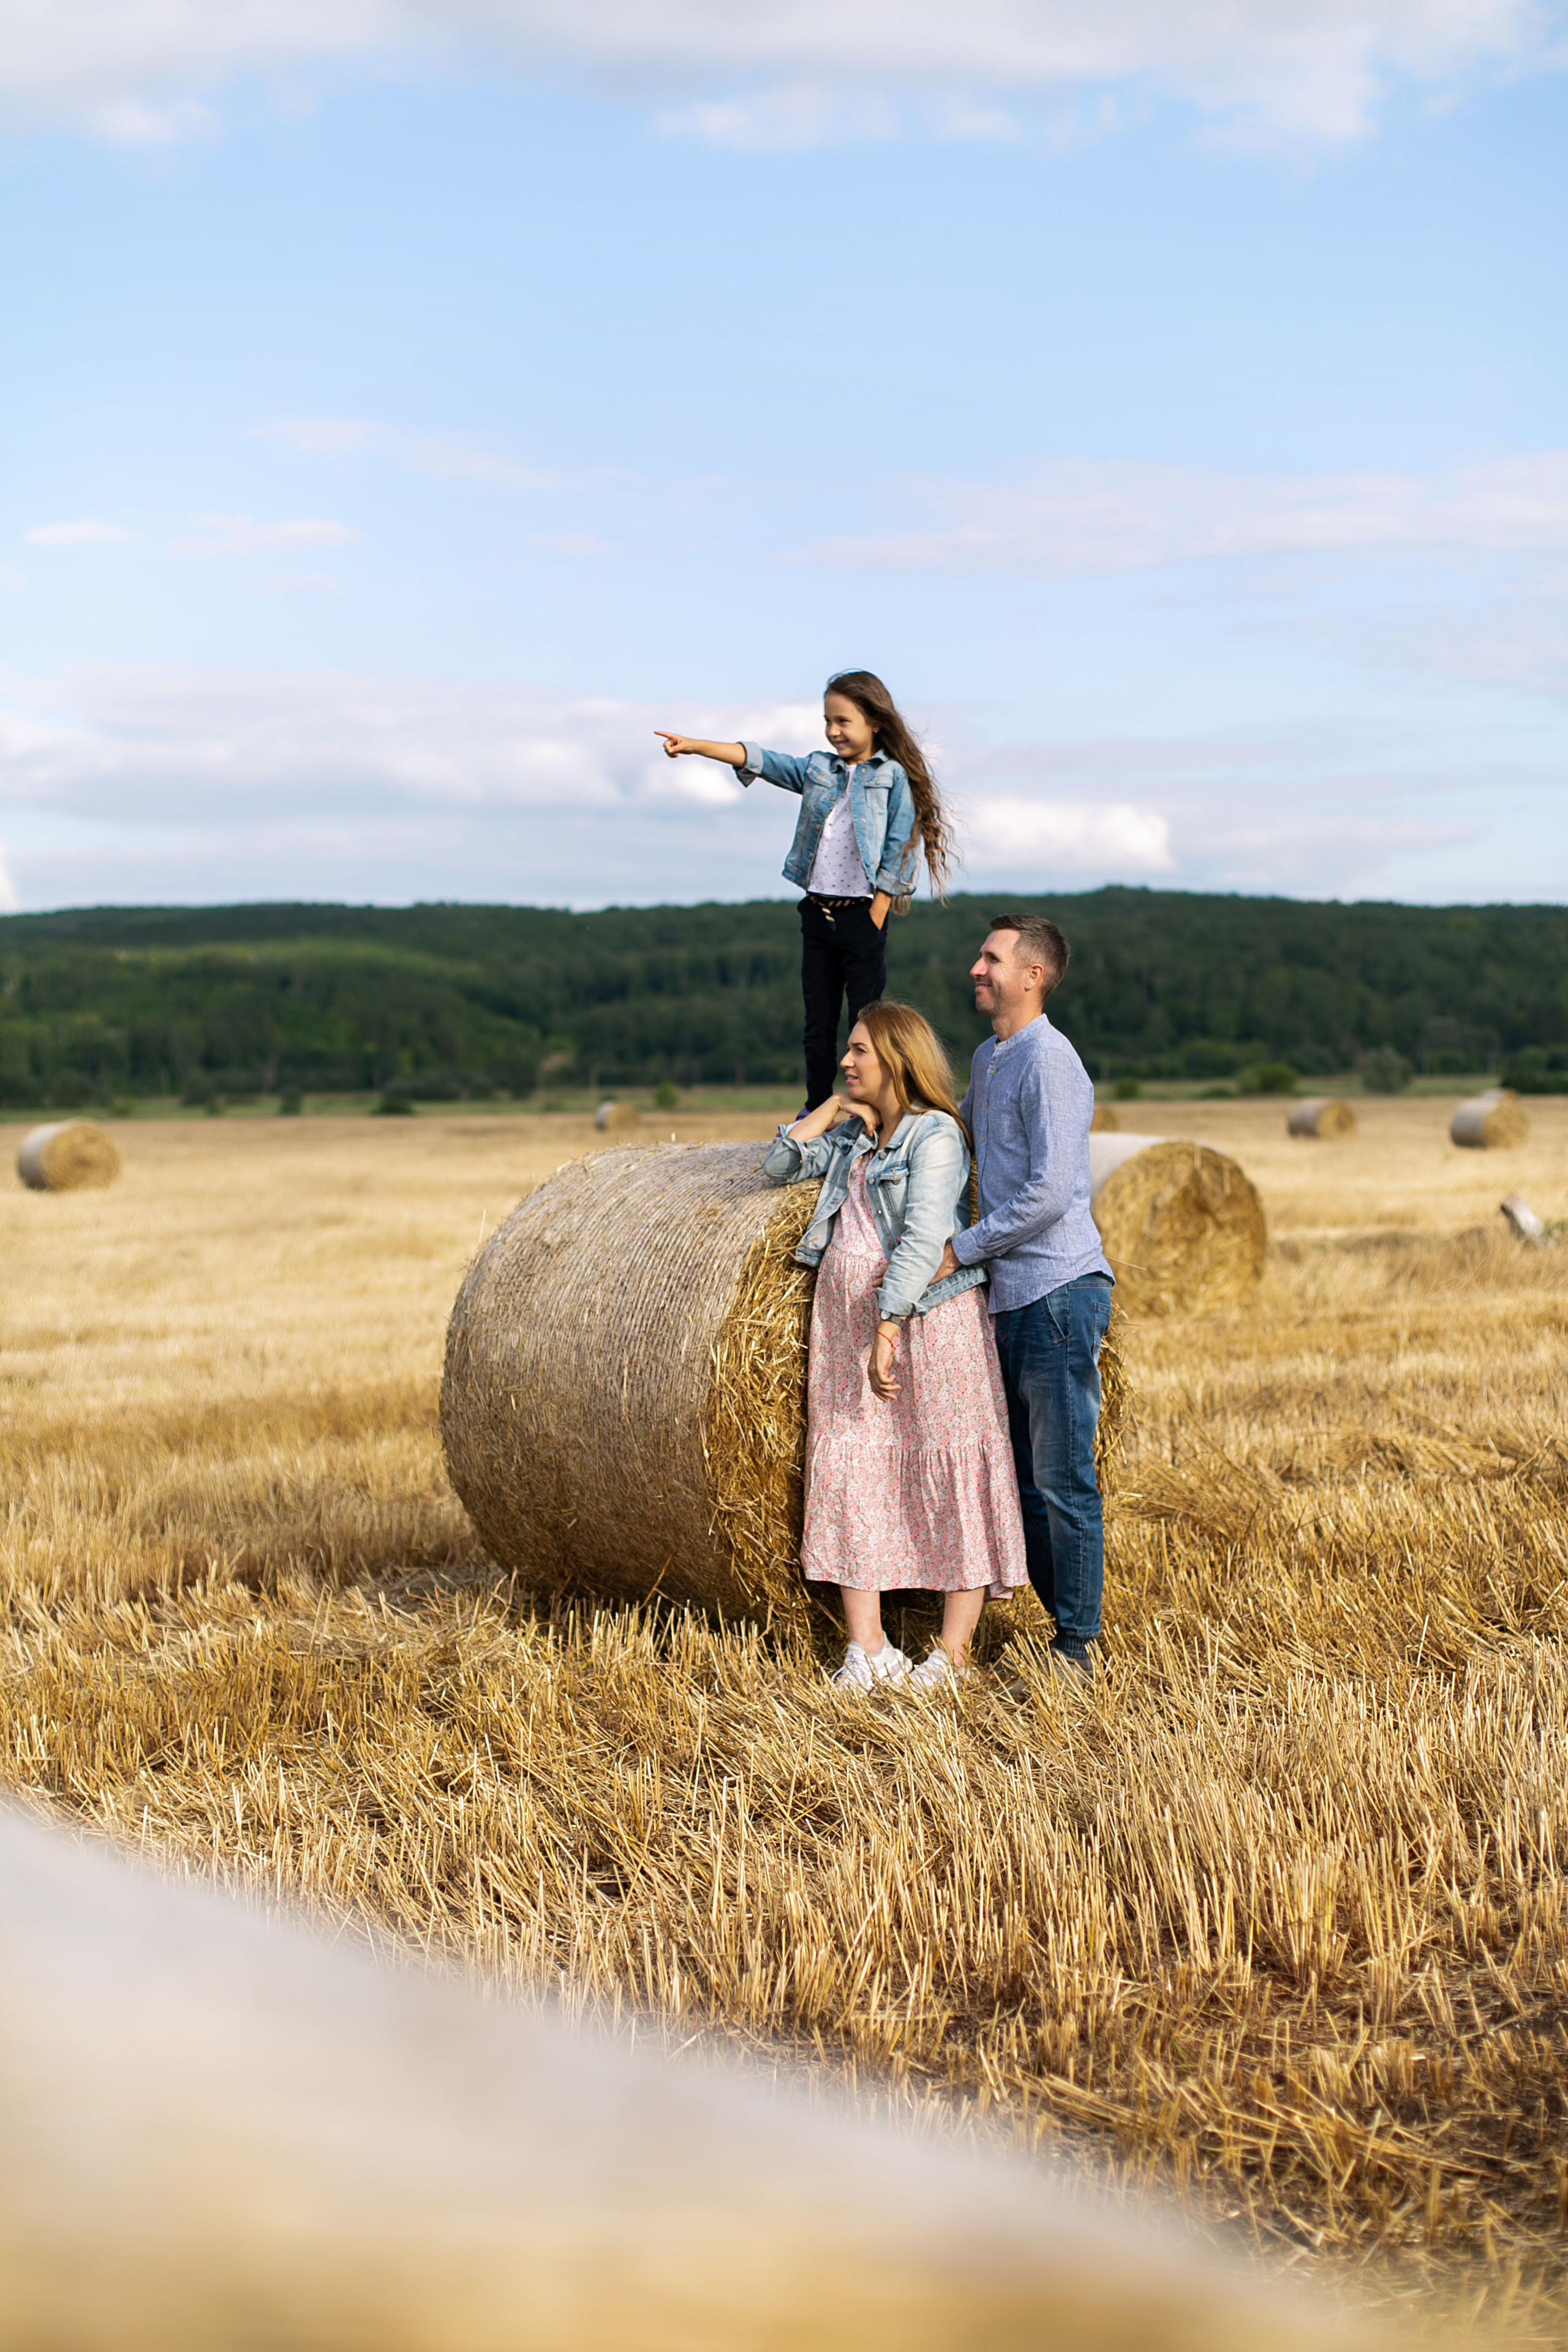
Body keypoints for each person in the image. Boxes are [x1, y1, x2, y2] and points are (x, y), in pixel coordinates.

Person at [763, 999, 1027, 1692]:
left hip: (927, 1327)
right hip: (845, 1331)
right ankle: (869, 1649)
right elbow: (777, 1162)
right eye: (846, 1050)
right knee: (855, 1470)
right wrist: (831, 1106)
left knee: (952, 1468)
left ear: (897, 1061)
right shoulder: (855, 1138)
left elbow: (923, 1239)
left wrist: (888, 1325)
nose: (846, 1061)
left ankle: (953, 1655)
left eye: (859, 1053)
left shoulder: (934, 1136)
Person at [930, 914, 1114, 1683]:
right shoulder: (989, 1057)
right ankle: (1059, 1622)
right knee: (1025, 1483)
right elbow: (962, 1139)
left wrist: (957, 1249)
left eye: (991, 958)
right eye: (980, 955)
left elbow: (1046, 1195)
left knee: (1063, 1477)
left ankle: (1078, 1647)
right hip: (1010, 1297)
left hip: (1057, 1291)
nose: (976, 968)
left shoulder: (1050, 1061)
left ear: (1032, 976)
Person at [655, 671, 954, 1112]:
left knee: (866, 1025)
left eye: (843, 721)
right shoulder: (819, 770)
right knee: (818, 1022)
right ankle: (816, 1108)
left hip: (861, 916)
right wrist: (697, 745)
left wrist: (878, 911)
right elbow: (762, 760)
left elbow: (900, 846)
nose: (833, 731)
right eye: (827, 721)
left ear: (874, 721)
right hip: (816, 913)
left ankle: (870, 1107)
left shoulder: (893, 776)